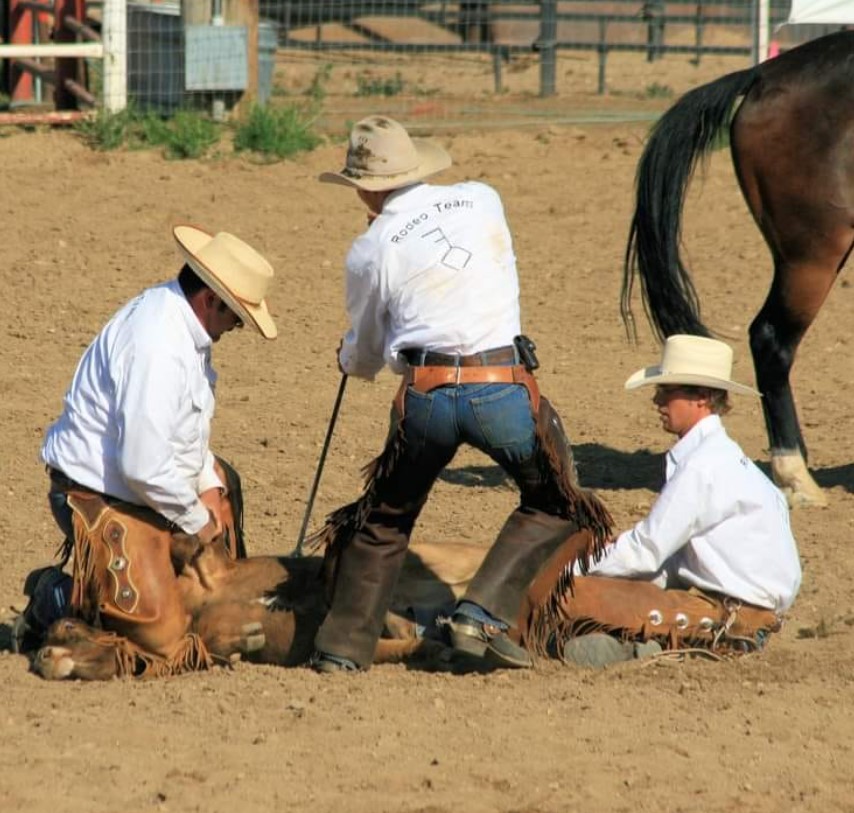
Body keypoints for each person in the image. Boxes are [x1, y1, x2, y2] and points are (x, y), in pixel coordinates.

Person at [309, 115, 612, 673]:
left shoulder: (369, 249)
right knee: (559, 501)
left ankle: (341, 649)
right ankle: (480, 613)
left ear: (366, 187)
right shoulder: (481, 199)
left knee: (384, 520)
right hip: (503, 391)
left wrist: (349, 358)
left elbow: (367, 353)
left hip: (424, 398)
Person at [15, 226, 277, 671]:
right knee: (165, 638)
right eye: (236, 314)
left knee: (223, 485)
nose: (237, 326)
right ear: (210, 300)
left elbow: (183, 433)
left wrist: (207, 482)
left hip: (137, 486)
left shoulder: (181, 325)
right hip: (97, 495)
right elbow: (143, 466)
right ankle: (58, 596)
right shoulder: (159, 345)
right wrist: (199, 522)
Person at [547, 335, 802, 667]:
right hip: (744, 607)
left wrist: (565, 568)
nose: (656, 399)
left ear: (701, 398)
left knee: (566, 596)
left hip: (727, 610)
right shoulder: (729, 462)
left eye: (667, 391)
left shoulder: (703, 466)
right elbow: (669, 556)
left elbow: (646, 551)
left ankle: (656, 642)